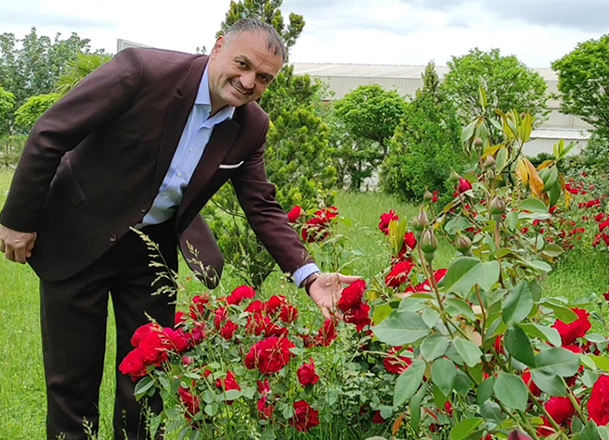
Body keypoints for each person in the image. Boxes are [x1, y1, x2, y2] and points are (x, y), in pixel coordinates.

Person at [0, 18, 356, 440]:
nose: (247, 82)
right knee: (72, 384)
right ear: (218, 45)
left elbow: (261, 205)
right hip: (79, 234)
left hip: (151, 252)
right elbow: (49, 133)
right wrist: (18, 220)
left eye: (263, 78)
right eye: (242, 64)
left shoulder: (251, 126)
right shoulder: (141, 71)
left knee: (148, 380)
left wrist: (310, 276)